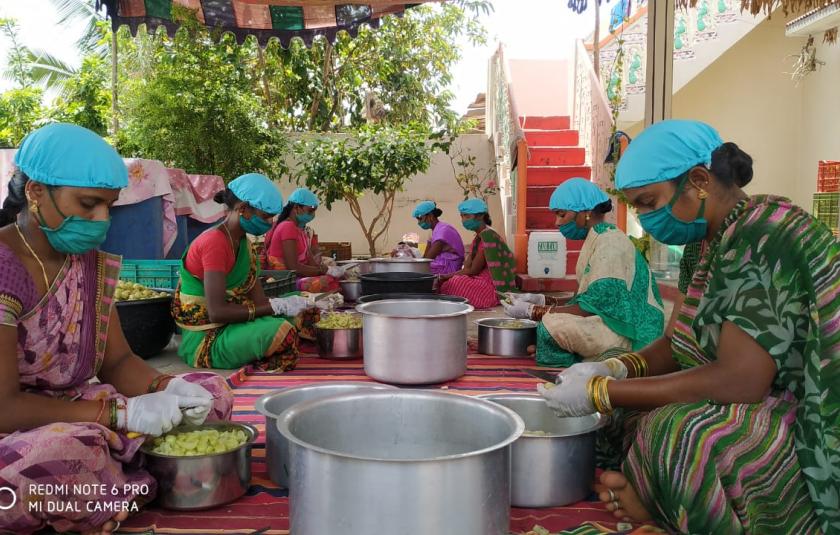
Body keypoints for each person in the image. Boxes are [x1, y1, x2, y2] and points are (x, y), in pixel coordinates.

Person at [538, 120, 839, 533]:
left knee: (682, 431)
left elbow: (742, 380)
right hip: (740, 394)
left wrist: (600, 391)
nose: (645, 219)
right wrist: (615, 370)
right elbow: (674, 345)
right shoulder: (704, 245)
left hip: (800, 415)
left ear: (699, 181)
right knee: (620, 395)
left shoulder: (766, 233)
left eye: (648, 202)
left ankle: (662, 499)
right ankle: (658, 497)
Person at [0, 124, 233, 535]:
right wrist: (120, 413)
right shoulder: (5, 266)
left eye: (108, 206)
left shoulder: (87, 262)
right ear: (36, 192)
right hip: (21, 424)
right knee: (59, 454)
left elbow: (119, 361)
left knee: (211, 394)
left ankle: (103, 492)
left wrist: (165, 389)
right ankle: (114, 484)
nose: (102, 219)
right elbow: (4, 406)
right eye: (89, 203)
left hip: (78, 406)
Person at [503, 178, 664, 367]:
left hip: (630, 331)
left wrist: (534, 311)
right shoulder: (596, 239)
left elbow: (589, 309)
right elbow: (582, 300)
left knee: (549, 327)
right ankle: (577, 356)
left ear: (585, 213)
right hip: (611, 322)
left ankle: (586, 360)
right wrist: (540, 300)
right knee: (549, 323)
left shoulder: (610, 244)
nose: (556, 222)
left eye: (561, 215)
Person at [172, 174, 313, 370]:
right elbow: (217, 313)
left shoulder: (243, 243)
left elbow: (259, 301)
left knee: (307, 308)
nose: (270, 223)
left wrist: (290, 304)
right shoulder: (214, 242)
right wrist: (275, 307)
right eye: (266, 216)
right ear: (244, 209)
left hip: (236, 324)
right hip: (209, 338)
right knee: (282, 332)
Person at [262, 187, 344, 292]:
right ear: (296, 208)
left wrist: (327, 269)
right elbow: (293, 267)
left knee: (336, 279)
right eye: (310, 211)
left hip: (297, 277)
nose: (312, 215)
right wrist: (323, 271)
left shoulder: (301, 230)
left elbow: (311, 262)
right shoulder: (287, 227)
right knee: (326, 282)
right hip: (284, 281)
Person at [439, 198, 516, 308]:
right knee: (449, 283)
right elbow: (467, 266)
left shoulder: (488, 236)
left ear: (480, 216)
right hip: (478, 278)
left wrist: (444, 276)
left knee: (456, 282)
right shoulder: (479, 237)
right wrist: (445, 277)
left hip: (493, 286)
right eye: (462, 216)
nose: (463, 220)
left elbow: (473, 270)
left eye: (467, 216)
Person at [411, 201, 465, 275]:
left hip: (450, 268)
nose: (419, 223)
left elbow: (428, 259)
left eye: (420, 219)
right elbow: (425, 257)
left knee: (415, 271)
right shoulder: (433, 231)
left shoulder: (443, 230)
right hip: (441, 265)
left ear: (430, 216)